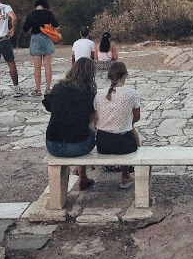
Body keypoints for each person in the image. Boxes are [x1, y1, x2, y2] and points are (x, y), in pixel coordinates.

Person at [43, 57, 97, 190]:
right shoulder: (89, 94)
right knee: (86, 131)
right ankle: (82, 176)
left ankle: (79, 177)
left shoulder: (57, 88)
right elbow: (92, 122)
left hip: (53, 144)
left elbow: (48, 106)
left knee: (73, 130)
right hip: (79, 146)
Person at [94, 61, 140, 189]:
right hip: (124, 144)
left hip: (103, 143)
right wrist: (127, 122)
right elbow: (137, 117)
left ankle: (126, 175)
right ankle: (126, 174)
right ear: (125, 75)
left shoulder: (99, 94)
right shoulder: (132, 93)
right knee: (129, 131)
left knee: (119, 131)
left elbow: (96, 117)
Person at [22, 0, 59, 96]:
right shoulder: (48, 14)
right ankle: (48, 89)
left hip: (36, 39)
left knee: (37, 67)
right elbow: (57, 26)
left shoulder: (31, 15)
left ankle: (38, 90)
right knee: (48, 65)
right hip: (47, 39)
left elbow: (25, 29)